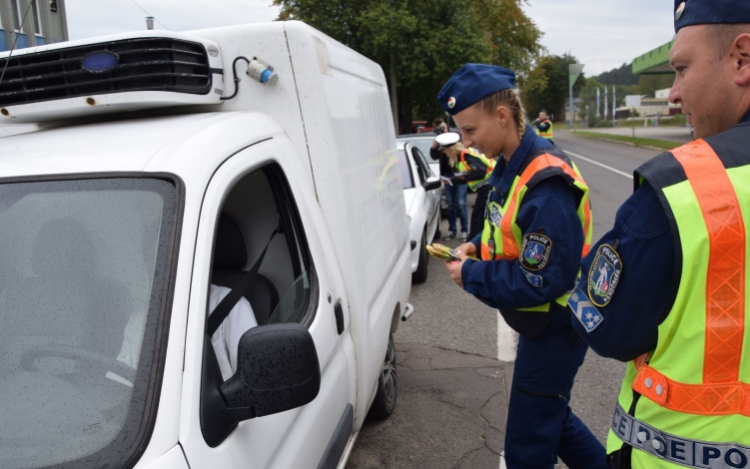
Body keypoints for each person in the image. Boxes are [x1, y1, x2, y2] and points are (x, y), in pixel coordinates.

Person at [566, 2, 750, 468]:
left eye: (682, 69)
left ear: (742, 59)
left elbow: (607, 328)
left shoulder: (689, 184)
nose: (672, 93)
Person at [439, 64, 604, 469]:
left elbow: (543, 279)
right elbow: (506, 227)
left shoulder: (545, 182)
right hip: (543, 325)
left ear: (502, 116)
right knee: (551, 419)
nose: (465, 141)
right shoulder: (511, 163)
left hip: (556, 327)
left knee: (528, 446)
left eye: (471, 131)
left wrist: (472, 275)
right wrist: (477, 245)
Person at [435, 132, 496, 241]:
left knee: (478, 215)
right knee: (478, 216)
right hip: (486, 186)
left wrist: (466, 177)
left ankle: (473, 241)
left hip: (490, 185)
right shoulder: (459, 157)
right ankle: (474, 240)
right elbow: (466, 175)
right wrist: (451, 180)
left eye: (444, 149)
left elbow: (481, 171)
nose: (443, 152)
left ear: (451, 148)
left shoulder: (465, 155)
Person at [431, 134, 469, 241]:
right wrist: (433, 147)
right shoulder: (441, 144)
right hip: (446, 177)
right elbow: (434, 156)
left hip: (460, 176)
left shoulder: (456, 144)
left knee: (461, 204)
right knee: (451, 205)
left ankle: (464, 231)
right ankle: (452, 230)